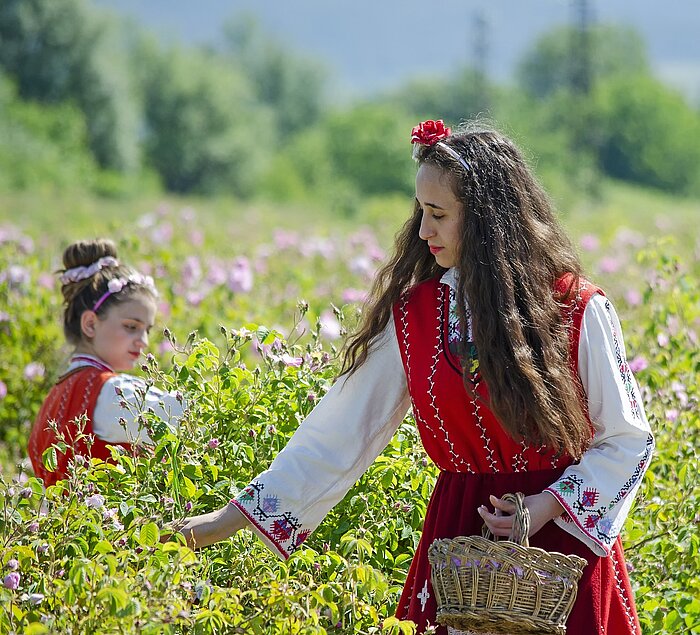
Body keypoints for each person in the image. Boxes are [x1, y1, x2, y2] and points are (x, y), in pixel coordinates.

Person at [175, 120, 654, 634]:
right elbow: (339, 434)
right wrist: (221, 523)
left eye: (439, 214)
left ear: (487, 220)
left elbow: (628, 440)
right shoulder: (416, 318)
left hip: (562, 548)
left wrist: (542, 507)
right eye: (421, 212)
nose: (423, 231)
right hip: (455, 548)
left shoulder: (575, 308)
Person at [28, 239, 184, 487]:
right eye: (131, 327)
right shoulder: (113, 392)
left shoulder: (54, 397)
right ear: (90, 324)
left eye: (147, 330)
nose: (143, 341)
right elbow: (192, 419)